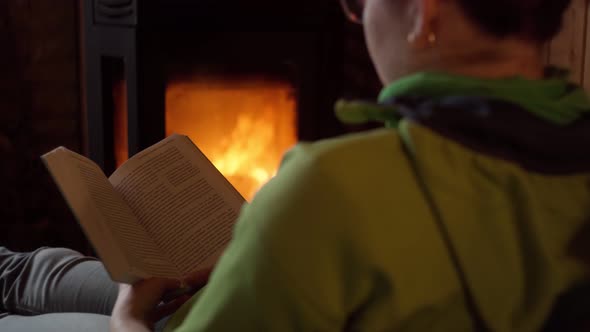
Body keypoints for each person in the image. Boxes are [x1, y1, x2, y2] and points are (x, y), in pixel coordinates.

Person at [2, 0, 590, 330]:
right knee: (48, 273)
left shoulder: (332, 190)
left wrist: (129, 320)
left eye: (360, 3)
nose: (358, 20)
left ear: (425, 13)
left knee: (62, 285)